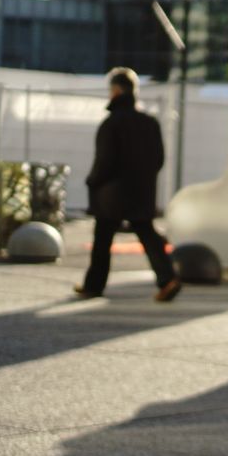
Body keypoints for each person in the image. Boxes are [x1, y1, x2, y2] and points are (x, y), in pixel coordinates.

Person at [75, 67, 180, 302]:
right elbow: (159, 159)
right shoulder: (149, 123)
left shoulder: (111, 124)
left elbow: (105, 160)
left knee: (103, 236)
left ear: (116, 90)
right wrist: (143, 178)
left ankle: (94, 285)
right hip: (142, 190)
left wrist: (93, 181)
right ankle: (167, 279)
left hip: (113, 192)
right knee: (146, 232)